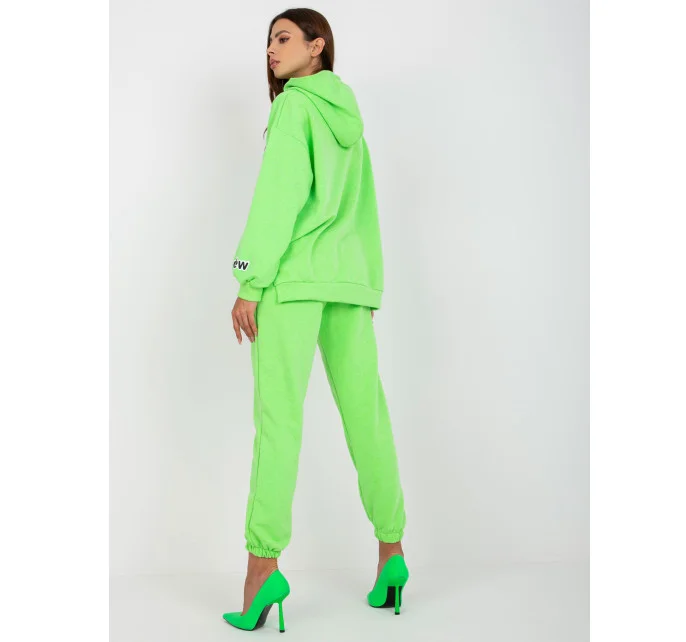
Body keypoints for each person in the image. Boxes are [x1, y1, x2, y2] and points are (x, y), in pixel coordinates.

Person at [222, 8, 409, 632]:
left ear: (317, 45)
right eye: (268, 42)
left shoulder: (295, 108)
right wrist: (367, 285)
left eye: (283, 38)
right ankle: (392, 553)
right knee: (368, 418)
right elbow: (364, 209)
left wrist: (249, 281)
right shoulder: (348, 118)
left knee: (278, 424)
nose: (271, 51)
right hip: (348, 284)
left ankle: (261, 570)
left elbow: (276, 201)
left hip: (293, 284)